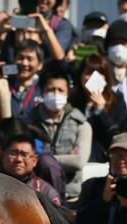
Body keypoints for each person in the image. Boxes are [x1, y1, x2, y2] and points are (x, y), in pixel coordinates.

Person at [29, 67, 91, 202]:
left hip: (71, 196)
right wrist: (66, 158)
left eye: (60, 90)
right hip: (36, 194)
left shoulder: (81, 123)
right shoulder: (29, 121)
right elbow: (25, 159)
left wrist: (42, 159)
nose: (56, 94)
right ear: (41, 92)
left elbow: (79, 162)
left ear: (68, 92)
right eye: (50, 90)